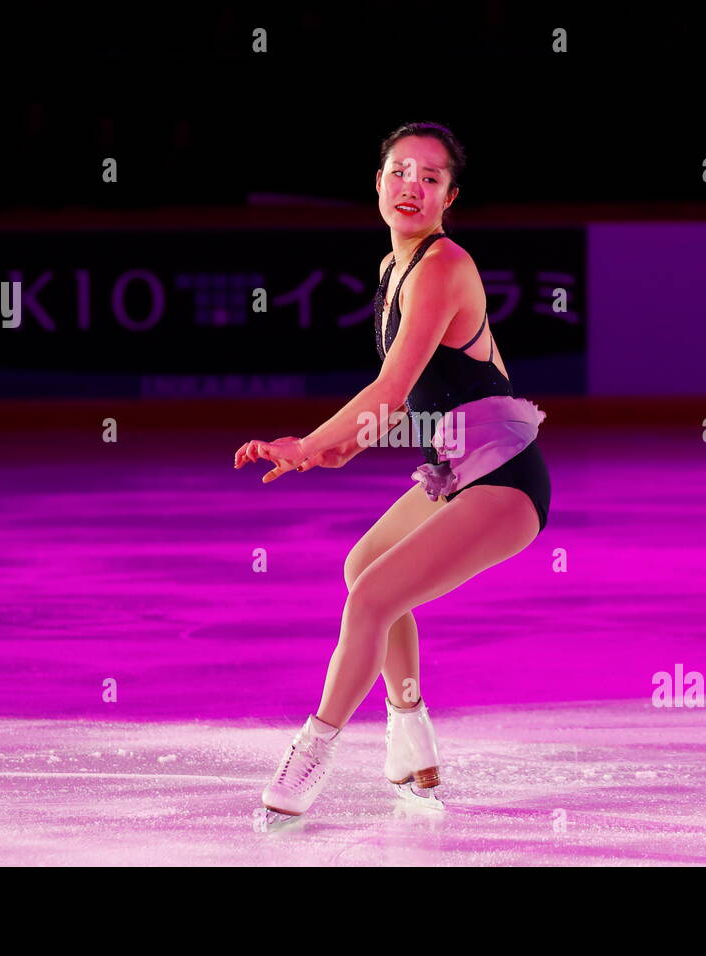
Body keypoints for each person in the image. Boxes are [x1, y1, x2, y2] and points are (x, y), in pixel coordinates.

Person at [234, 121, 551, 821]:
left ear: (449, 197)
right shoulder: (393, 268)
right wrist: (339, 446)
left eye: (430, 178)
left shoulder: (441, 266)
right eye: (400, 171)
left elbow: (388, 386)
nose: (412, 185)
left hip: (505, 478)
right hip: (455, 468)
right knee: (365, 570)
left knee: (372, 598)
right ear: (378, 182)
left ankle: (314, 748)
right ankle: (411, 736)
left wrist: (307, 441)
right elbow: (408, 397)